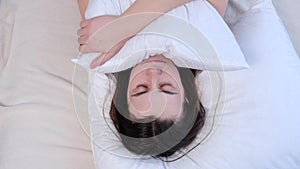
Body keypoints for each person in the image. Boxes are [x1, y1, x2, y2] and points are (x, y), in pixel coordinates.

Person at [76, 0, 228, 158]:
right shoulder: (204, 36)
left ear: (123, 94)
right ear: (187, 95)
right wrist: (123, 27)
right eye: (166, 87)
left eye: (141, 88)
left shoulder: (100, 42)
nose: (153, 73)